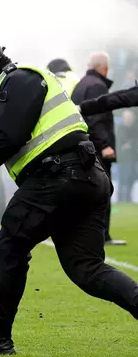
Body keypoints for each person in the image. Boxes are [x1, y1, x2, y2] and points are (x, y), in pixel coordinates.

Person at [0, 40, 138, 354]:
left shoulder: (20, 80)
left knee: (10, 245)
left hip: (58, 176)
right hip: (82, 177)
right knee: (88, 270)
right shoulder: (1, 99)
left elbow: (8, 138)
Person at [71, 52, 125, 246]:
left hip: (82, 147)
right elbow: (97, 117)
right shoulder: (97, 86)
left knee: (88, 192)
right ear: (103, 67)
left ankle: (85, 234)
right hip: (95, 148)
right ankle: (102, 235)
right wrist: (105, 145)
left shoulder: (82, 84)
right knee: (103, 191)